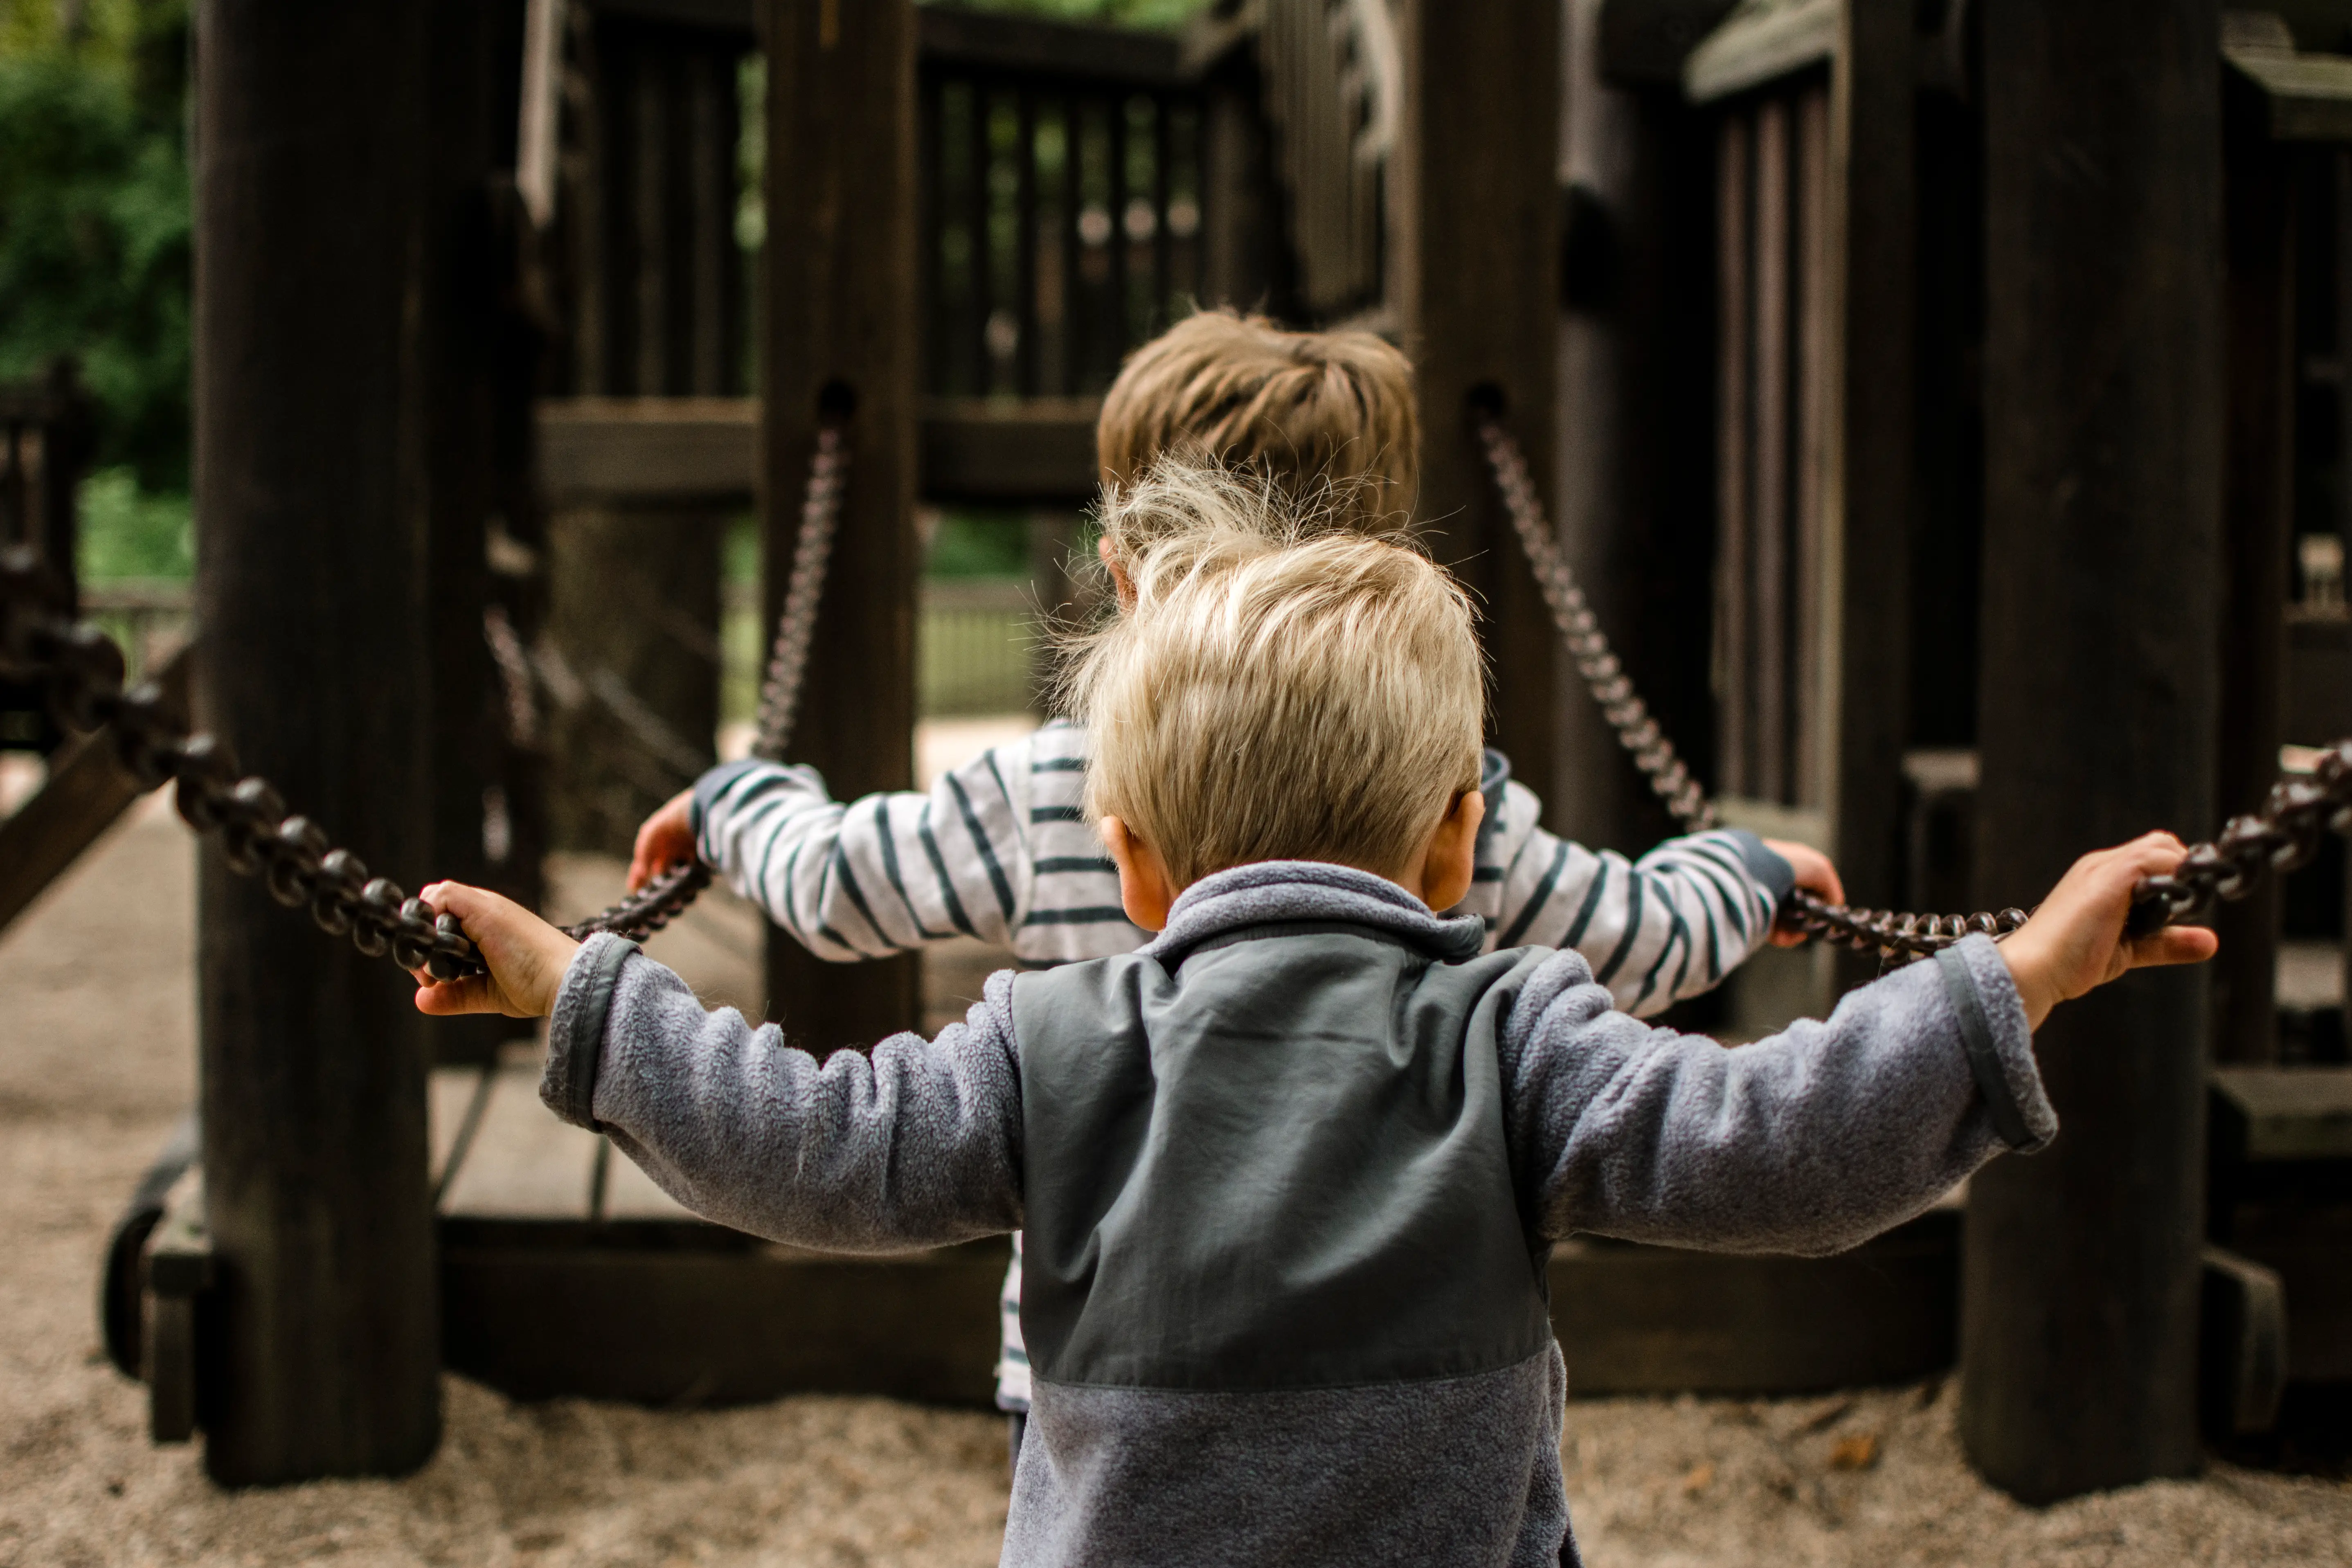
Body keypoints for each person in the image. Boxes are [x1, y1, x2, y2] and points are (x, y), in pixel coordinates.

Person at [411, 466, 2212, 1566]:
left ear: (1128, 863)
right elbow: (1783, 1149)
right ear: (1454, 846)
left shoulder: (1046, 1046)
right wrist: (2024, 973)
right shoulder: (1519, 1034)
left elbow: (802, 1150)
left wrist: (581, 990)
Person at [622, 308, 1845, 1450]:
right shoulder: (1441, 792)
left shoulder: (1054, 787)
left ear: (1122, 575)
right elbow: (1631, 937)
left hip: (1111, 1344)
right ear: (1379, 575)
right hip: (1392, 1339)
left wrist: (741, 806)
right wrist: (1740, 875)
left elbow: (839, 884)